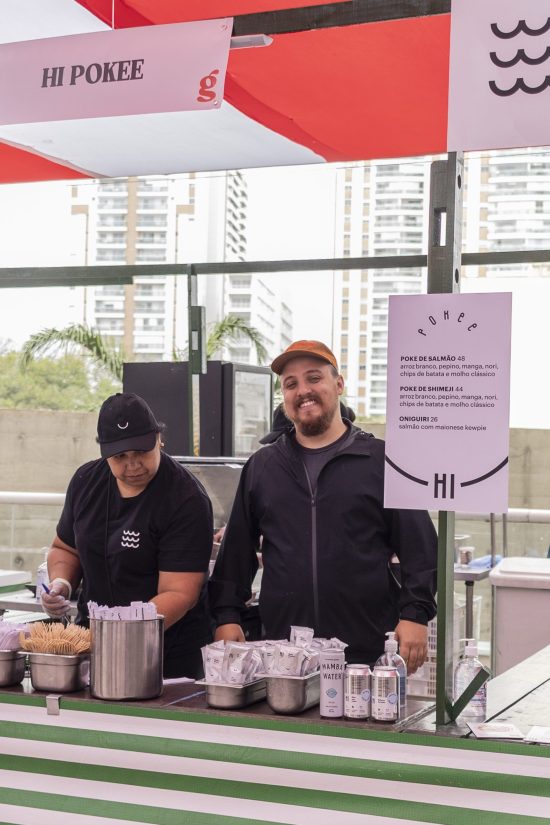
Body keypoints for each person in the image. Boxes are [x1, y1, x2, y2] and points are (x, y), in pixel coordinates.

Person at [209, 340, 437, 673]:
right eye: (291, 384)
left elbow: (421, 548)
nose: (303, 390)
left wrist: (414, 615)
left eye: (314, 378)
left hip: (368, 652)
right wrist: (227, 616)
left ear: (339, 384)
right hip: (285, 653)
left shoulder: (383, 462)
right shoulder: (262, 467)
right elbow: (236, 554)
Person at [41, 392, 213, 679]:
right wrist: (61, 583)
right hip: (94, 643)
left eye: (142, 452)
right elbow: (65, 548)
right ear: (104, 452)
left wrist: (118, 628)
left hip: (166, 652)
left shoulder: (186, 498)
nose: (133, 465)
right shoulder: (86, 482)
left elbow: (180, 592)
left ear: (159, 439)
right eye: (120, 456)